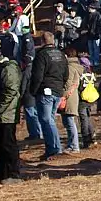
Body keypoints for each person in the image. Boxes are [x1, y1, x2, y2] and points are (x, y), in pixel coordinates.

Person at [0, 41, 23, 184]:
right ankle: (1, 173)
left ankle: (13, 174)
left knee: (8, 145)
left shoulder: (8, 68)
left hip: (6, 115)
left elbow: (11, 90)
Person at [30, 31, 68, 160]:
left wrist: (33, 91)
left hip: (45, 91)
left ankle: (54, 149)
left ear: (42, 41)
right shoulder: (61, 55)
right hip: (57, 90)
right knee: (50, 120)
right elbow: (66, 74)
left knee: (46, 120)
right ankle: (53, 147)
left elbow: (37, 75)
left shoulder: (41, 55)